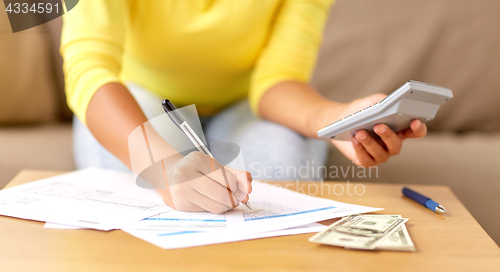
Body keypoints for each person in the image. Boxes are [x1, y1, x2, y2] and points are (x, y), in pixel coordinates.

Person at [61, 0, 427, 213]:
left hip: (248, 106)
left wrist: (336, 120)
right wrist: (162, 167)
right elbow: (89, 66)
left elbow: (279, 79)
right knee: (138, 191)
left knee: (275, 193)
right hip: (143, 98)